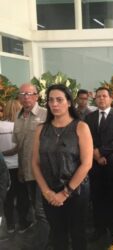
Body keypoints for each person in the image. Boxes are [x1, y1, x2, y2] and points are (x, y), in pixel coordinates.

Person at [31, 84, 93, 250]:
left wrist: (65, 193)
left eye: (59, 100)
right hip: (49, 191)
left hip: (76, 190)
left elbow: (87, 163)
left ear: (69, 103)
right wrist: (46, 192)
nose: (54, 104)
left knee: (78, 234)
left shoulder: (81, 127)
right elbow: (35, 163)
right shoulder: (41, 129)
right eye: (51, 100)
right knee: (57, 235)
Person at [85, 87, 113, 241]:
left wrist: (100, 152)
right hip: (94, 164)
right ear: (95, 99)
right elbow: (86, 138)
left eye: (104, 96)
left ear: (110, 99)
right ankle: (99, 229)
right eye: (98, 96)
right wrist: (95, 155)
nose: (101, 99)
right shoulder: (89, 118)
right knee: (97, 197)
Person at [13, 83, 48, 244]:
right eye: (22, 94)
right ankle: (44, 238)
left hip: (43, 171)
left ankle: (46, 242)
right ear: (19, 98)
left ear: (36, 96)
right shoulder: (18, 117)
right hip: (26, 171)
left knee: (42, 210)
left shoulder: (46, 114)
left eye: (29, 93)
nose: (26, 96)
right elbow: (19, 146)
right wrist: (20, 169)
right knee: (35, 207)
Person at [0, 100, 31, 235]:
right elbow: (22, 148)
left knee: (6, 196)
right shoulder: (19, 127)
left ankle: (10, 225)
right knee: (22, 196)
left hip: (2, 167)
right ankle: (23, 224)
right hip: (19, 166)